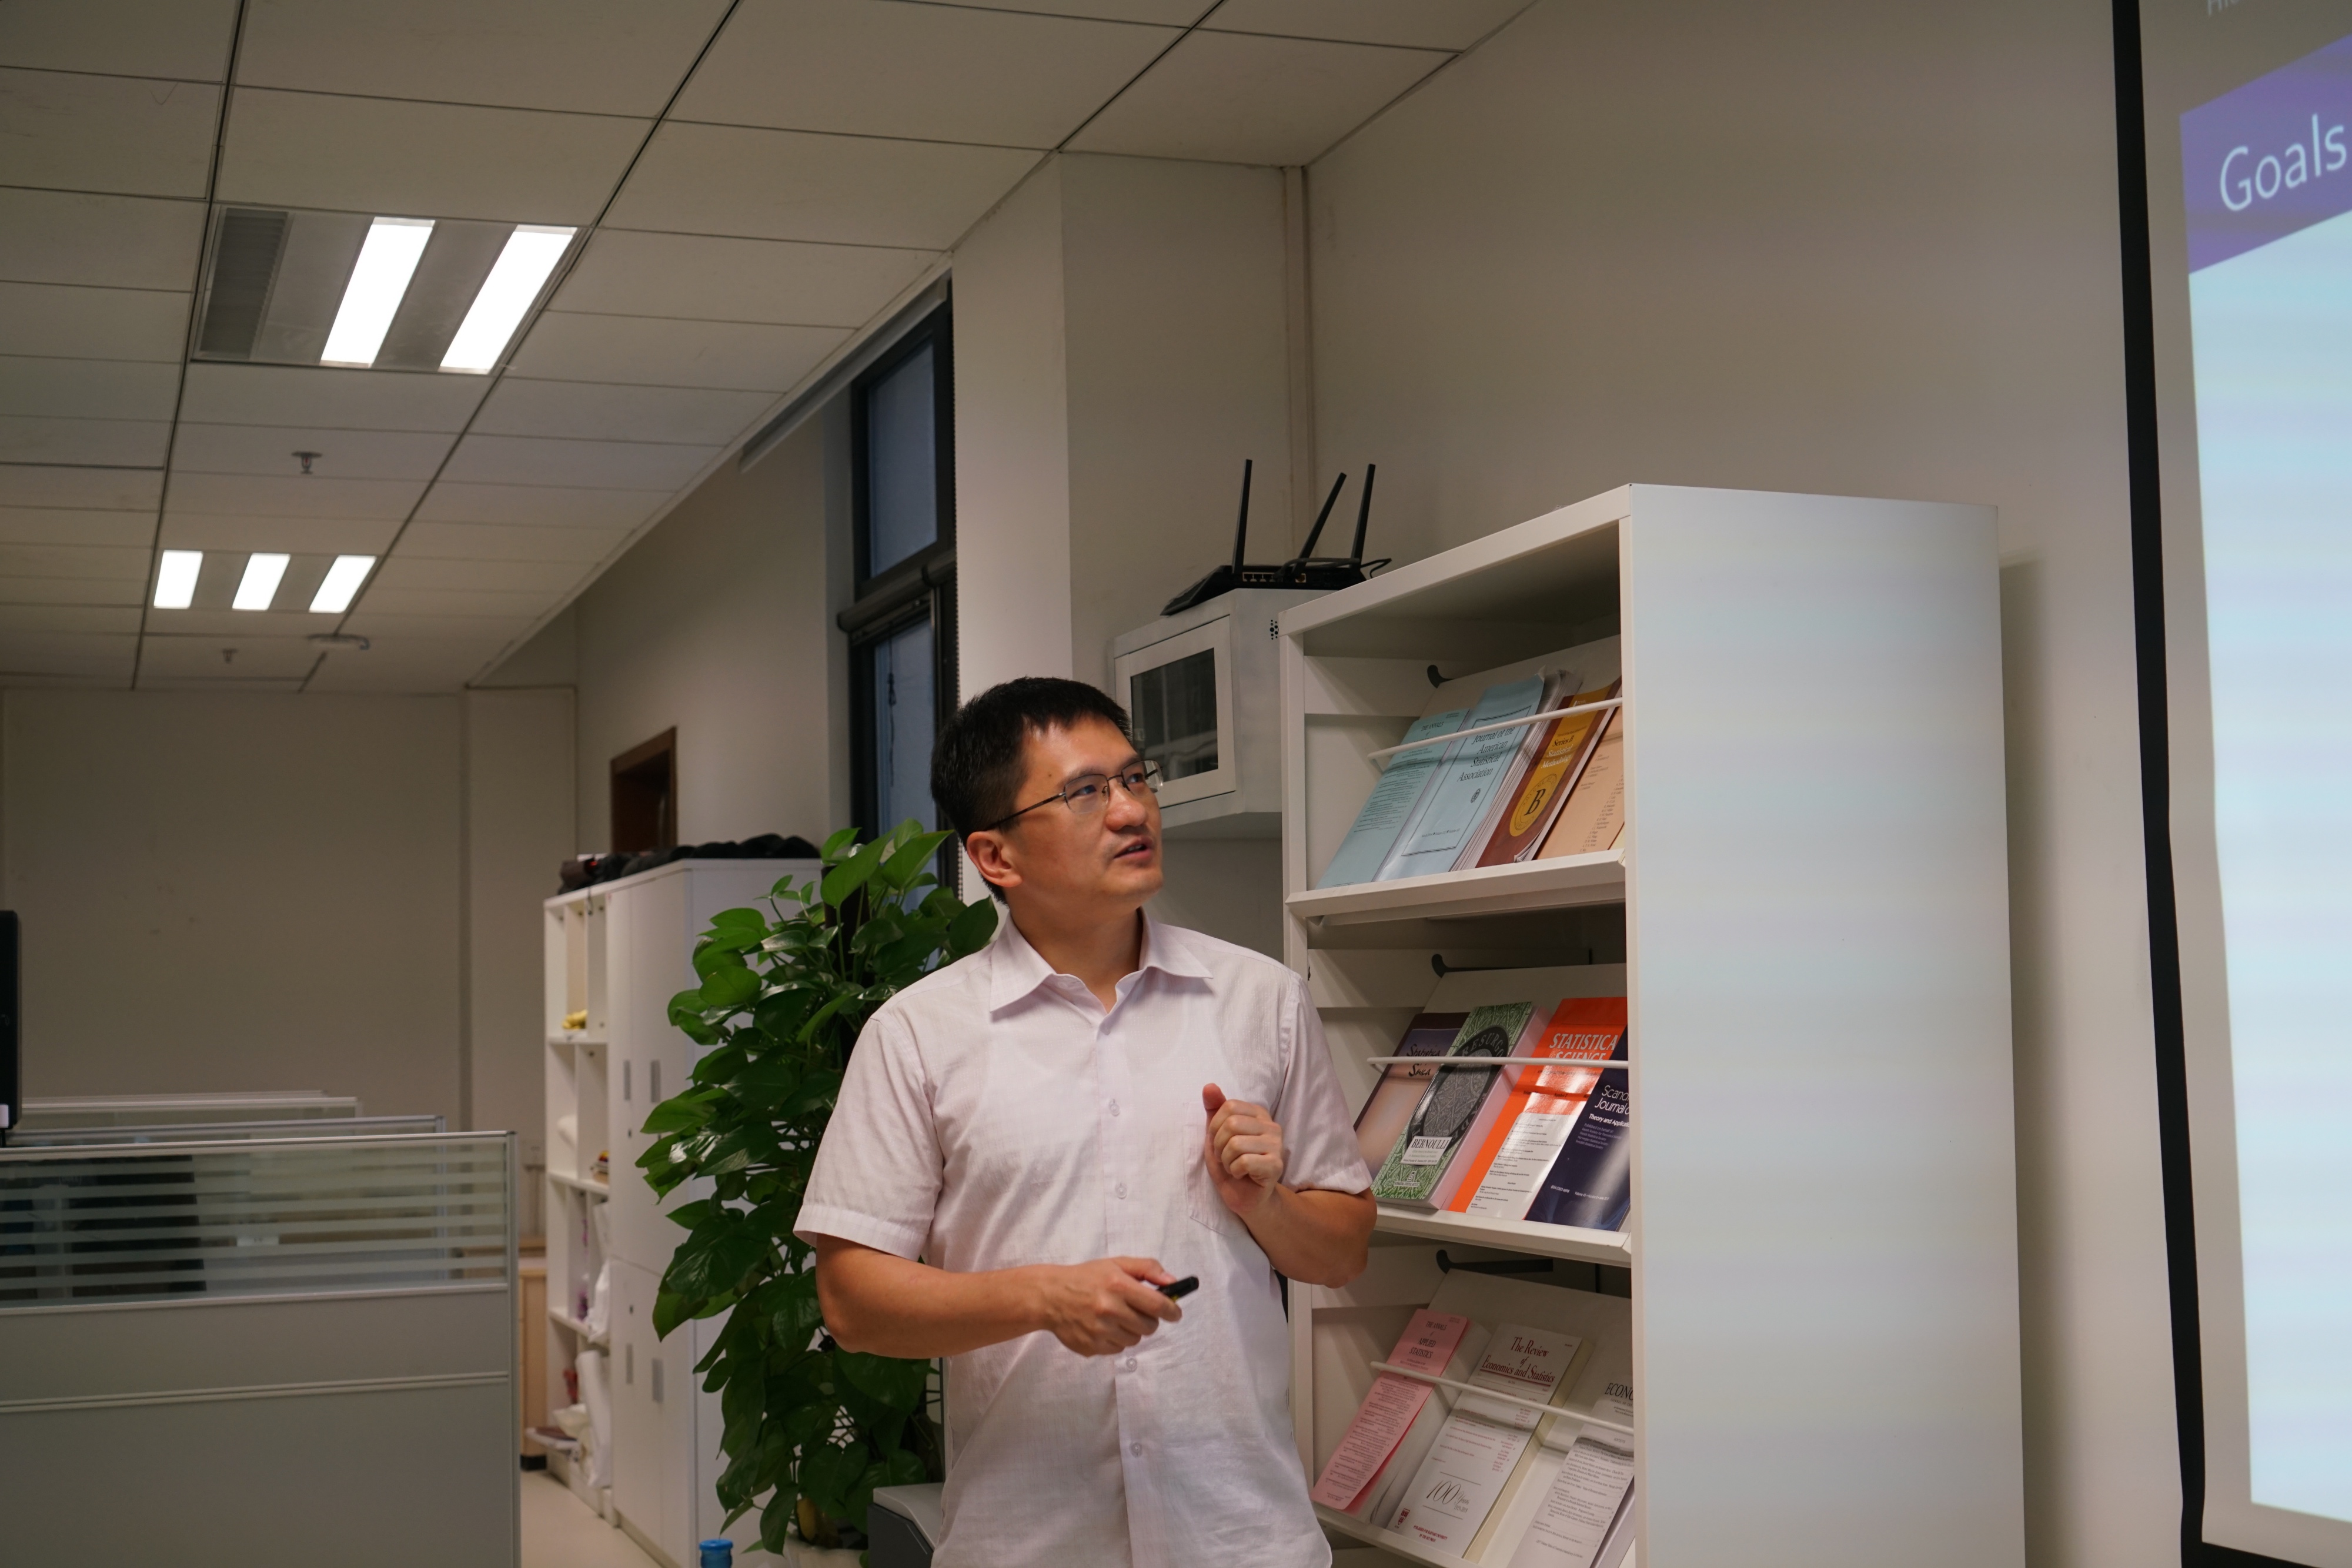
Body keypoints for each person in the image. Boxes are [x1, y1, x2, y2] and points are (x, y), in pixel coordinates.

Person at [797, 676, 1375, 1568]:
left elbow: (1342, 1253)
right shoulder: (917, 1035)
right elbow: (852, 1302)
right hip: (1030, 1542)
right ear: (995, 856)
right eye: (1085, 792)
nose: (1130, 809)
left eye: (1135, 778)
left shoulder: (1262, 1000)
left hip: (1241, 1540)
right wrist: (1043, 1298)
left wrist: (1265, 1204)